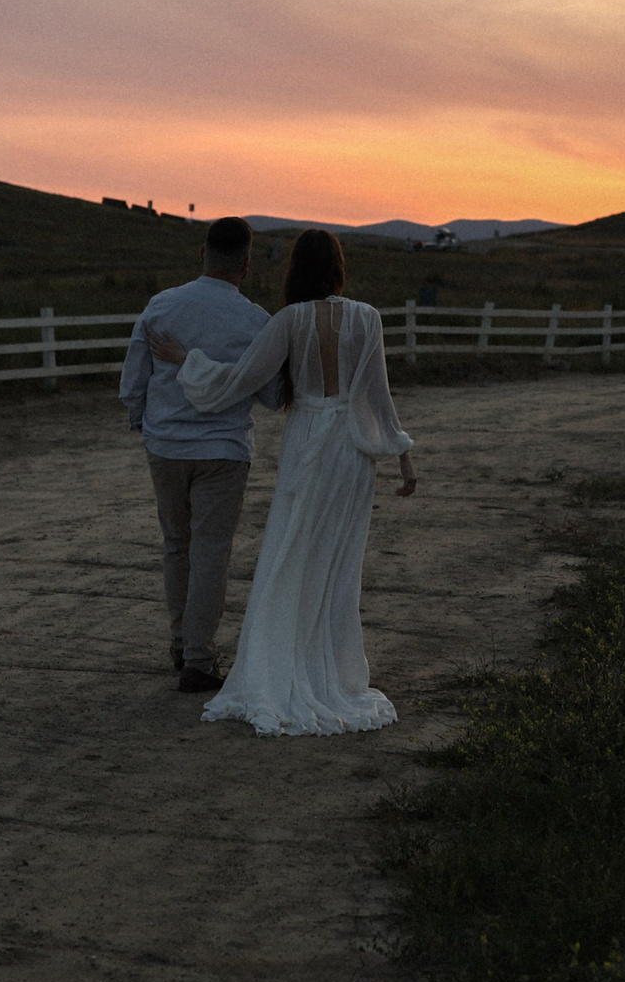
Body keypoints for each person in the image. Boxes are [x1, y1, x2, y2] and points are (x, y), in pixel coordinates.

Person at [147, 228, 417, 736]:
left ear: (297, 269)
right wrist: (402, 457)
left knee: (288, 554)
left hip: (310, 443)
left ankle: (280, 669)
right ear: (338, 266)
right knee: (337, 563)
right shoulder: (368, 318)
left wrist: (187, 360)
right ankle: (331, 671)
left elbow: (240, 381)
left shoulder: (289, 321)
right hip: (354, 454)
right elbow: (379, 395)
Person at [119, 217, 284, 693]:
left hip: (167, 445)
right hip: (225, 450)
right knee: (211, 551)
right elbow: (271, 396)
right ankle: (199, 657)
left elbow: (135, 379)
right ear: (248, 264)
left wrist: (145, 424)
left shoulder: (162, 305)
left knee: (177, 544)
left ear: (202, 253)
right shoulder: (257, 321)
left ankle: (179, 641)